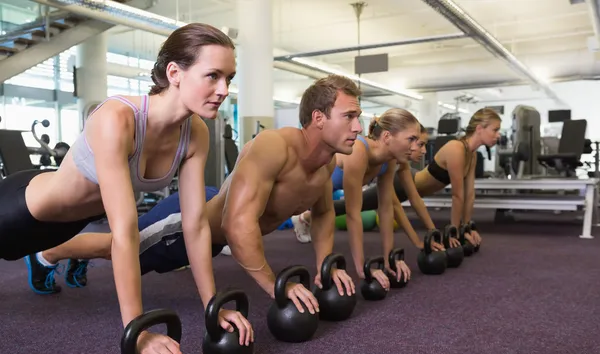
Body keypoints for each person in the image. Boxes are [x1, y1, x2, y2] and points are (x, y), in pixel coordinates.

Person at [0, 23, 252, 354]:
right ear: (174, 73)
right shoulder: (117, 118)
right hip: (19, 213)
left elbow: (195, 224)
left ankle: (42, 259)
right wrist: (138, 331)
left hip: (68, 226)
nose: (223, 90)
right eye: (212, 76)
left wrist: (213, 307)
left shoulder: (195, 133)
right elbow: (123, 230)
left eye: (228, 77)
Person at [29, 74, 363, 326]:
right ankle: (46, 253)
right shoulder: (276, 146)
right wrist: (278, 286)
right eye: (349, 116)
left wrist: (324, 266)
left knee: (131, 255)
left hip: (214, 226)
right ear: (319, 118)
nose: (359, 127)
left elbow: (321, 215)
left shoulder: (325, 164)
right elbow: (237, 224)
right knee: (119, 246)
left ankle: (74, 259)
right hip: (188, 219)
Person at [331, 108, 501, 248]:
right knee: (346, 206)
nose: (423, 151)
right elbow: (399, 205)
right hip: (406, 182)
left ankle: (311, 216)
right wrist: (445, 233)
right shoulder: (456, 149)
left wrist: (459, 228)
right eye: (417, 142)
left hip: (410, 181)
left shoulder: (471, 155)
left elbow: (465, 195)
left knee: (350, 206)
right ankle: (307, 217)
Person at [293, 108, 424, 289]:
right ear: (387, 137)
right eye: (411, 139)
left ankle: (304, 219)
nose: (415, 147)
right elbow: (352, 213)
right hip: (303, 182)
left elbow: (386, 209)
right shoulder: (358, 151)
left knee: (325, 211)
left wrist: (389, 260)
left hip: (327, 189)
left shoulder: (390, 159)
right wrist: (362, 268)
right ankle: (301, 218)